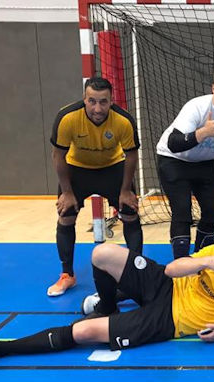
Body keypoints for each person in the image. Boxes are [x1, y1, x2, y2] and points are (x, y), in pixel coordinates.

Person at [0, 217, 214, 369]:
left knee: (83, 332)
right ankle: (108, 306)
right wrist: (205, 261)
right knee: (102, 253)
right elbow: (170, 269)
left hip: (169, 319)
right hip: (165, 285)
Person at [47, 77, 142, 296]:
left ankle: (135, 272)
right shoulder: (67, 117)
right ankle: (67, 275)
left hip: (113, 168)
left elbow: (131, 155)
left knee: (130, 213)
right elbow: (58, 155)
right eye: (92, 101)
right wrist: (68, 193)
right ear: (84, 99)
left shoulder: (123, 120)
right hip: (77, 170)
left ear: (111, 101)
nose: (97, 108)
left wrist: (126, 190)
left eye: (103, 102)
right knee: (66, 214)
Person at [156, 64, 214, 259]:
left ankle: (200, 260)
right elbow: (173, 143)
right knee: (182, 211)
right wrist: (203, 133)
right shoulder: (196, 107)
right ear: (213, 88)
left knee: (213, 212)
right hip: (173, 160)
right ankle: (181, 264)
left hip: (204, 164)